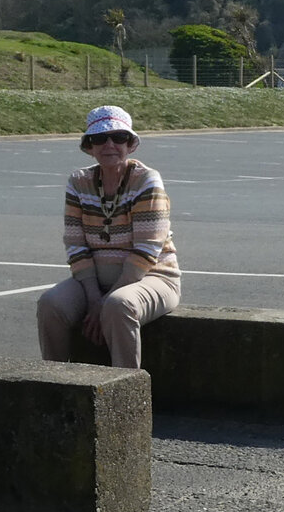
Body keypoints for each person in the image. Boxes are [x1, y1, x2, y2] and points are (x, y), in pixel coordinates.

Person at [36, 104, 180, 370]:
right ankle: (55, 385)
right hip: (94, 284)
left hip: (153, 277)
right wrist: (93, 298)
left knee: (119, 305)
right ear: (89, 146)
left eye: (119, 137)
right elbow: (75, 245)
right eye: (100, 138)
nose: (109, 144)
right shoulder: (78, 182)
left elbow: (147, 251)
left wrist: (103, 303)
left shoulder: (146, 180)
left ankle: (124, 394)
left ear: (131, 144)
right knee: (50, 304)